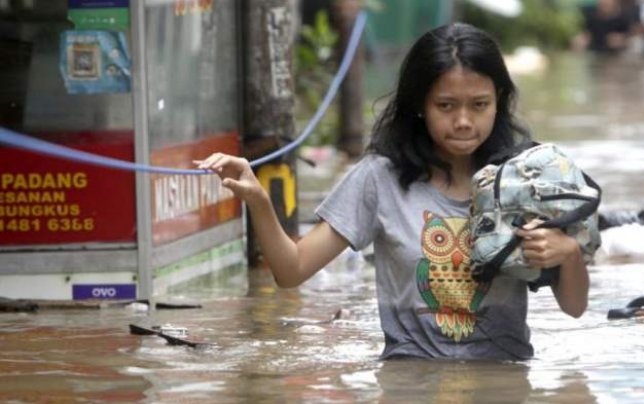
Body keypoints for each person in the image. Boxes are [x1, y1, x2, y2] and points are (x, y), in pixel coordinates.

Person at [196, 23, 590, 361]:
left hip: (505, 378)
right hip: (409, 377)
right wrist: (259, 201)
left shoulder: (526, 179)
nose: (464, 121)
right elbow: (291, 270)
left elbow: (573, 309)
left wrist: (569, 255)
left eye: (479, 105)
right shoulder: (378, 178)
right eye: (446, 106)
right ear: (419, 105)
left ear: (499, 102)